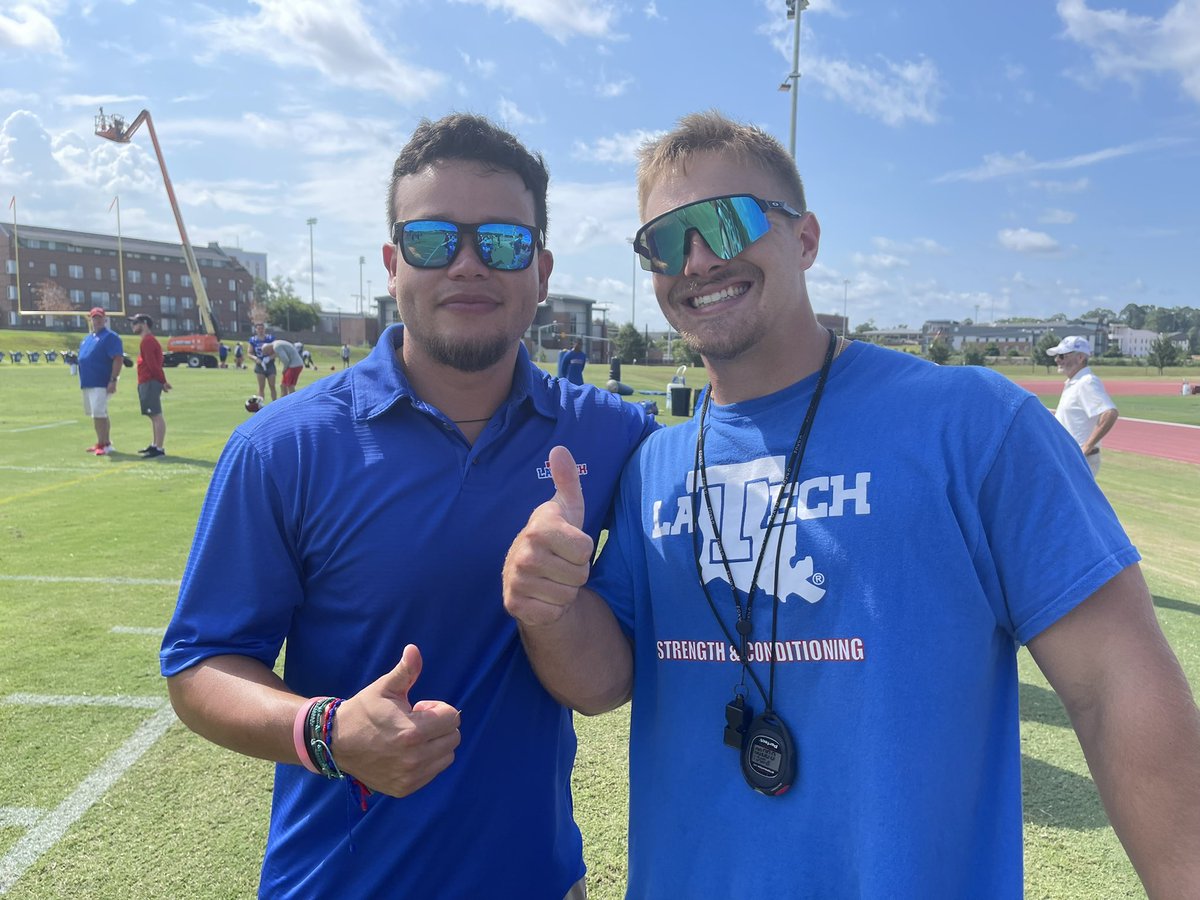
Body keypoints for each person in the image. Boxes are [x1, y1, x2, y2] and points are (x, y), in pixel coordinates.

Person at [502, 112, 1200, 897]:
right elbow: (600, 684)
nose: (696, 260)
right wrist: (548, 606)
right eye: (664, 242)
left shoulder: (973, 425)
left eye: (727, 221)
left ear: (805, 240)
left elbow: (1113, 687)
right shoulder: (653, 468)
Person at [160, 112, 655, 898]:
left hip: (538, 881)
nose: (468, 265)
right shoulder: (284, 447)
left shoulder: (617, 436)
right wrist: (325, 732)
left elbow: (610, 681)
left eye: (503, 242)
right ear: (393, 264)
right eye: (433, 240)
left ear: (541, 270)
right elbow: (199, 665)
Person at [1046, 335, 1119, 477]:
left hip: (1078, 459)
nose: (1057, 360)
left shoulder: (1086, 382)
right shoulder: (1074, 383)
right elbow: (1074, 416)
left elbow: (1110, 413)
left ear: (1080, 358)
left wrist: (1085, 448)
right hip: (1068, 457)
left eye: (1062, 356)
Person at [77, 307, 124, 456]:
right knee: (97, 413)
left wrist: (113, 380)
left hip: (101, 380)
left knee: (99, 413)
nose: (97, 321)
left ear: (105, 319)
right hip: (88, 381)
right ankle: (104, 442)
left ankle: (103, 444)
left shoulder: (110, 337)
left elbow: (118, 358)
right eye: (94, 318)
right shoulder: (88, 338)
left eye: (99, 318)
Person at [129, 313, 171, 457]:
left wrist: (162, 381)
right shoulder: (147, 341)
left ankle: (159, 448)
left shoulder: (148, 341)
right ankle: (155, 445)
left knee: (156, 415)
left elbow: (153, 365)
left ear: (145, 323)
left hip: (149, 381)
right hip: (148, 381)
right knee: (152, 415)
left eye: (136, 322)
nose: (133, 325)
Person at [248, 322, 277, 402]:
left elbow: (277, 351)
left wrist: (269, 358)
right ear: (256, 330)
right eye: (259, 329)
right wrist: (256, 359)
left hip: (270, 364)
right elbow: (249, 353)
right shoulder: (253, 340)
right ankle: (261, 404)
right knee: (261, 386)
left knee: (272, 385)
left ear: (265, 329)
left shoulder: (270, 338)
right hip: (260, 365)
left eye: (262, 329)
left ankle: (275, 403)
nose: (261, 330)